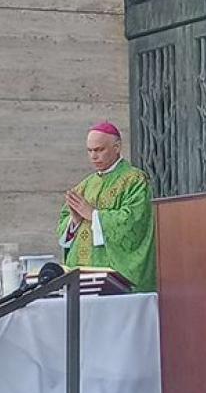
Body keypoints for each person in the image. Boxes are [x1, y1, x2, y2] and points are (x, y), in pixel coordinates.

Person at [58, 122, 157, 292]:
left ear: (117, 147)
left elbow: (134, 222)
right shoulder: (84, 186)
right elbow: (63, 224)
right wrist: (74, 222)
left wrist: (94, 215)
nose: (93, 156)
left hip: (113, 278)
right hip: (80, 278)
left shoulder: (135, 180)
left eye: (99, 150)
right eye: (89, 151)